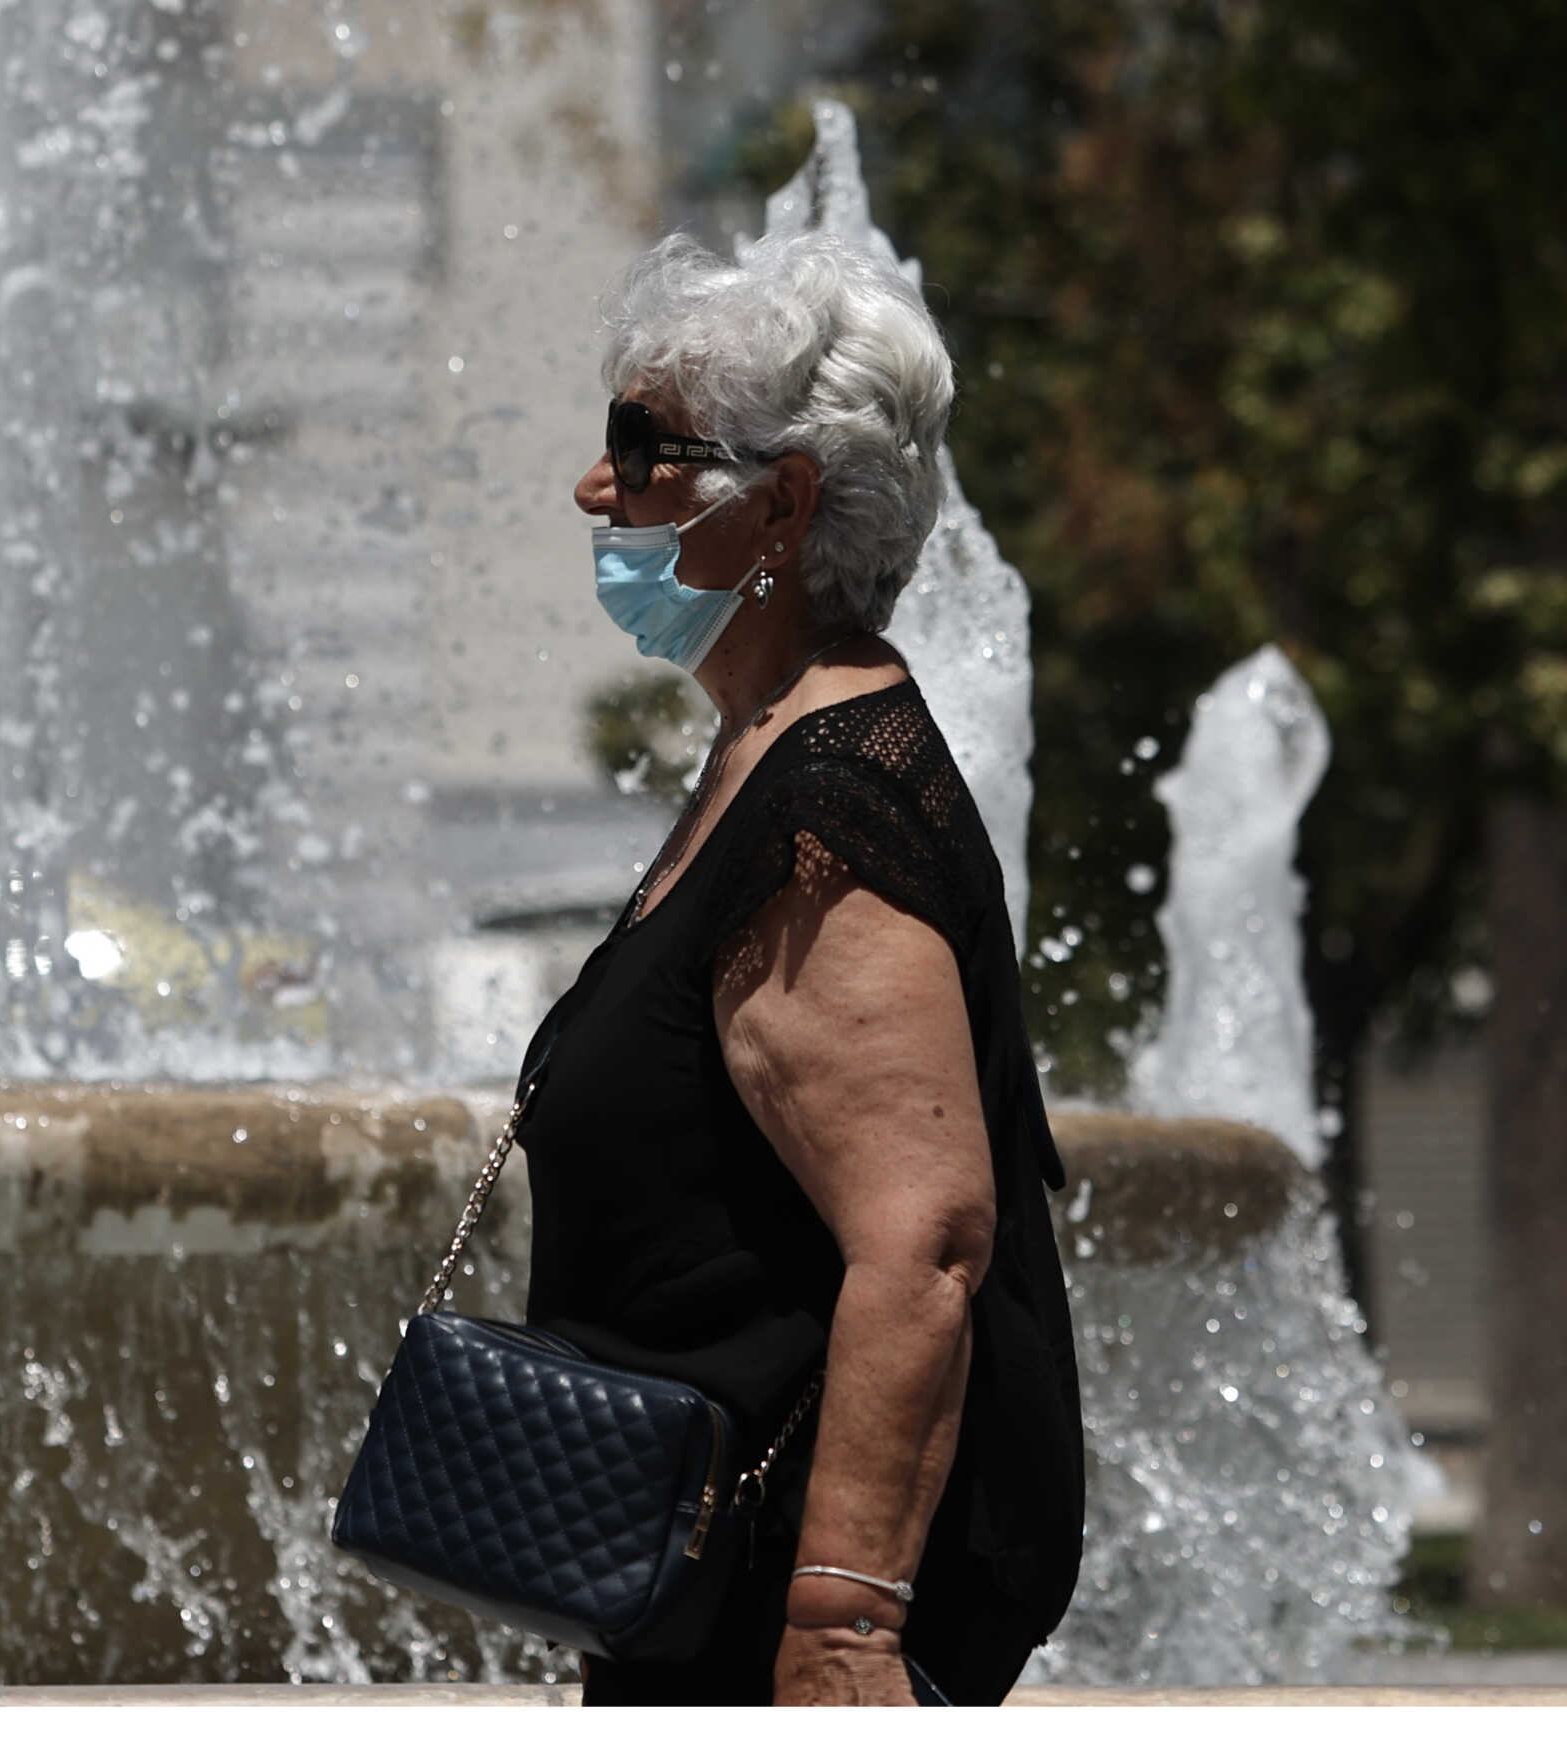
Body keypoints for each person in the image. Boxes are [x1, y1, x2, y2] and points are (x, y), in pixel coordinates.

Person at [519, 232, 1083, 1706]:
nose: (598, 489)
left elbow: (927, 1240)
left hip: (775, 1642)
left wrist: (842, 1629)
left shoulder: (831, 805)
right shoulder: (762, 754)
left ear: (783, 504)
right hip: (692, 1602)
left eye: (643, 452)